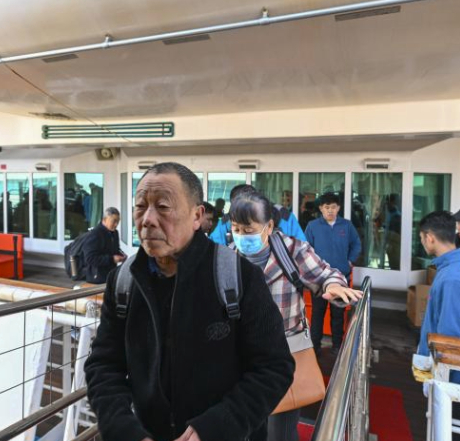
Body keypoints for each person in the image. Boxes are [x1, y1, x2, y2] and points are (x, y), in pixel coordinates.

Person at [85, 162, 294, 441]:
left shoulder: (239, 277)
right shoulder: (123, 282)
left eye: (162, 206)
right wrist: (124, 430)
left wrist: (213, 429)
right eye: (139, 206)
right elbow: (103, 365)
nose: (147, 219)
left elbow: (274, 368)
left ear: (197, 216)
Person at [229, 190, 362, 441]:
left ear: (269, 226)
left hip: (285, 354)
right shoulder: (226, 258)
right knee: (249, 426)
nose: (241, 236)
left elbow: (327, 274)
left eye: (248, 230)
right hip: (242, 358)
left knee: (282, 432)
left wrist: (332, 285)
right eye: (236, 229)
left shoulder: (294, 251)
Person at [414, 211, 460, 439]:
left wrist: (436, 380)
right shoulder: (455, 268)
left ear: (429, 238)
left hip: (454, 381)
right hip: (456, 376)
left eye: (421, 238)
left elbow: (450, 340)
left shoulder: (452, 279)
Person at [304, 193, 362, 354]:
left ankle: (337, 346)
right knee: (317, 314)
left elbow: (356, 244)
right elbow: (306, 250)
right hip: (318, 279)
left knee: (338, 314)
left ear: (339, 208)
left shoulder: (346, 225)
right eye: (327, 207)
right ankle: (315, 346)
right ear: (321, 208)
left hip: (341, 277)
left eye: (334, 207)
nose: (330, 210)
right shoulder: (313, 226)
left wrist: (350, 261)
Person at [210, 184, 306, 246]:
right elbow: (215, 251)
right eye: (237, 229)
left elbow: (301, 246)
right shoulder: (225, 222)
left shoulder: (284, 217)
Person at [81, 207, 125, 284]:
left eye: (118, 222)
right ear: (104, 220)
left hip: (110, 275)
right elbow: (90, 258)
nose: (116, 224)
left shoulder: (115, 233)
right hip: (97, 278)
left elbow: (114, 249)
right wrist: (112, 259)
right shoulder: (95, 234)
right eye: (114, 221)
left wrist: (121, 255)